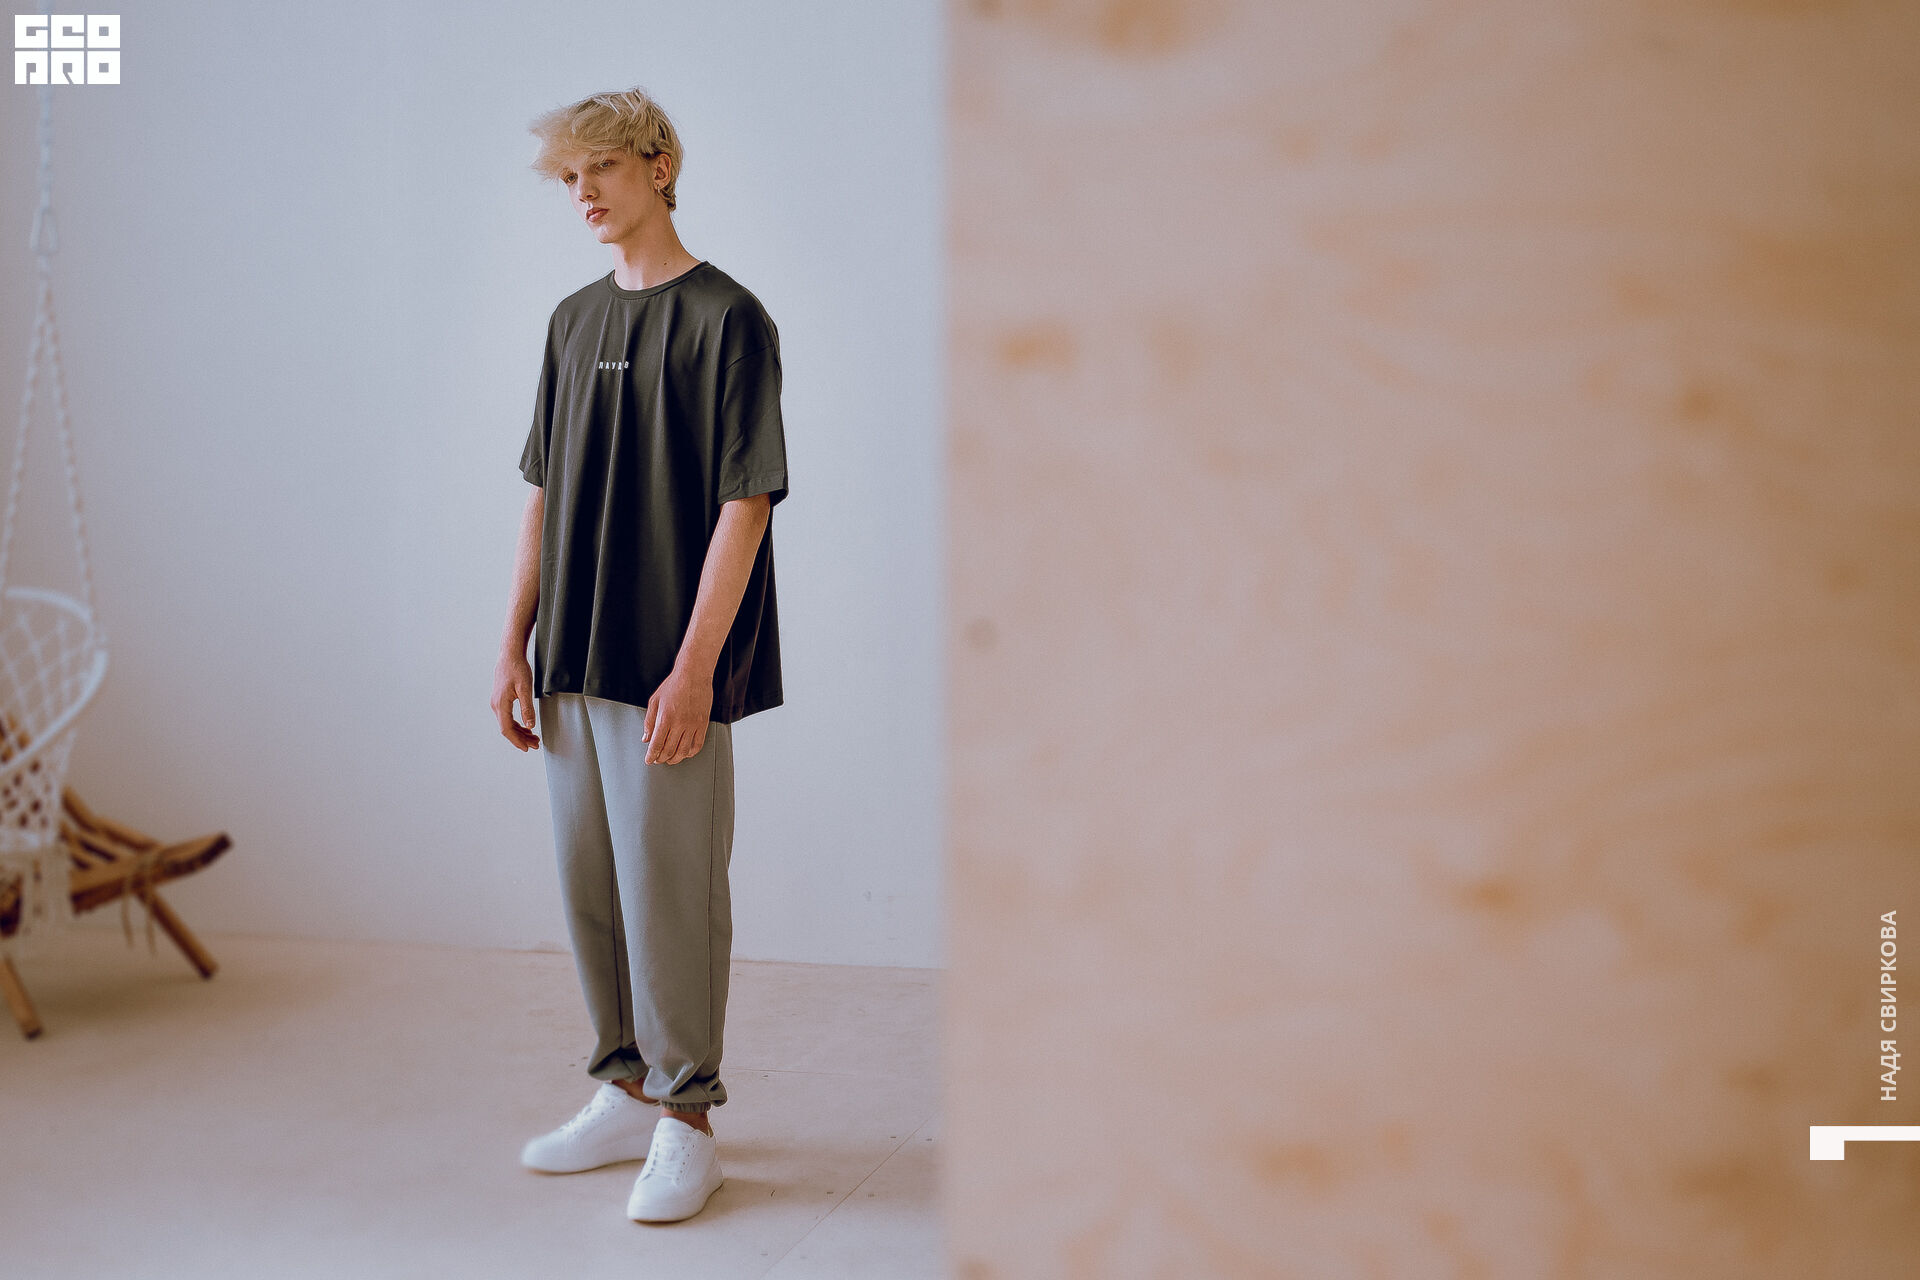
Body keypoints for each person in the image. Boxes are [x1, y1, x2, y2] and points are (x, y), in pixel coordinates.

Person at [491, 86, 789, 1225]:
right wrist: (511, 643)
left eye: (602, 169)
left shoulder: (729, 320)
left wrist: (696, 665)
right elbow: (543, 492)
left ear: (659, 166)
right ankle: (623, 1090)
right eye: (570, 178)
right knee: (593, 887)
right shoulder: (571, 322)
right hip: (571, 650)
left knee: (671, 889)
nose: (584, 194)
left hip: (671, 656)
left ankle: (687, 1119)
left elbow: (745, 501)